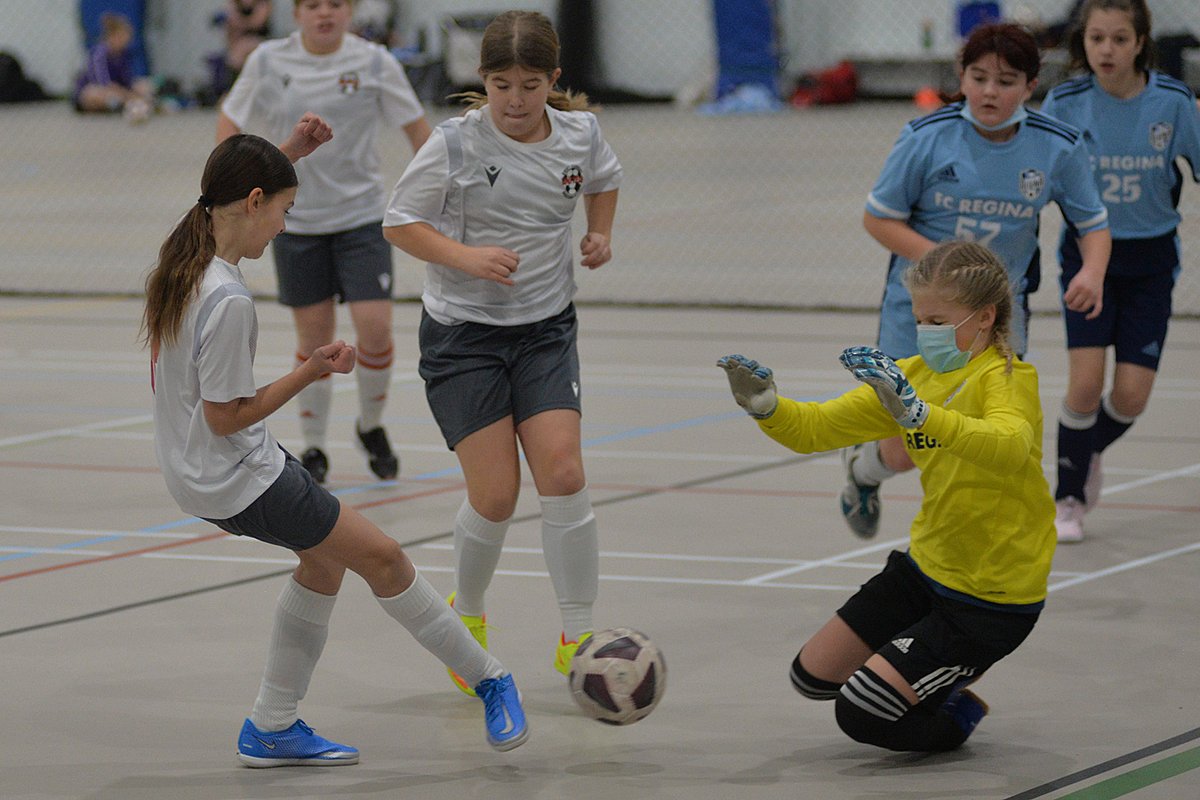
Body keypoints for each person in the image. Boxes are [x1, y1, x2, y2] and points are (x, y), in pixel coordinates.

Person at [141, 117, 529, 764]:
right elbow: (226, 417)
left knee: (323, 566)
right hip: (236, 472)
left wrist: (286, 156)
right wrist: (312, 369)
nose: (286, 227)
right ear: (256, 203)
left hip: (195, 473)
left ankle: (272, 723)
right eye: (284, 210)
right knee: (384, 560)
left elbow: (234, 187)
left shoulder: (184, 256)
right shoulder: (228, 301)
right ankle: (492, 677)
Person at [718, 240, 1055, 752]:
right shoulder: (911, 378)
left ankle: (956, 712)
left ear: (985, 317)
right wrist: (767, 407)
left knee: (861, 713)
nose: (925, 331)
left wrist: (919, 416)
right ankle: (920, 672)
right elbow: (814, 428)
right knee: (811, 678)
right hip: (926, 570)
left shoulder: (1008, 378)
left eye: (939, 320)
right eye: (921, 319)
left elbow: (1009, 447)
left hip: (990, 598)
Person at [382, 10, 622, 696]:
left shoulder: (580, 133)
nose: (514, 101)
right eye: (499, 84)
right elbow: (400, 222)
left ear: (553, 81)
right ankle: (470, 619)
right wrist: (466, 257)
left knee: (565, 472)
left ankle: (578, 635)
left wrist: (599, 235)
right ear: (480, 81)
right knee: (494, 495)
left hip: (546, 329)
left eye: (528, 85)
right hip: (465, 335)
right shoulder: (456, 144)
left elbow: (604, 181)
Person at [842, 22, 1112, 540]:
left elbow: (1093, 222)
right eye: (979, 77)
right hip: (917, 315)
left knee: (993, 434)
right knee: (907, 449)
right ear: (961, 78)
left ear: (1031, 87)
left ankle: (980, 540)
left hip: (998, 318)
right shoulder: (927, 138)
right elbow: (878, 218)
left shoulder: (1056, 146)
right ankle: (862, 469)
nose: (990, 91)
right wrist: (949, 269)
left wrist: (1093, 271)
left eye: (1006, 80)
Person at [218, 0, 433, 485]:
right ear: (296, 13)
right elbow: (230, 117)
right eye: (313, 4)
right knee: (315, 340)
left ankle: (371, 426)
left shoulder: (375, 61)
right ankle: (314, 446)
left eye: (336, 3)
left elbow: (419, 130)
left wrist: (437, 192)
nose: (325, 13)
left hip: (361, 216)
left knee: (374, 329)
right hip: (295, 221)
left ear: (350, 10)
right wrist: (229, 179)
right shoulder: (269, 60)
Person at [1040, 0, 1200, 542]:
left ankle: (1084, 456)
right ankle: (1067, 497)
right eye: (1096, 39)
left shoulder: (1173, 102)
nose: (1106, 50)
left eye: (1119, 39)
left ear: (1140, 43)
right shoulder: (1065, 102)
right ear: (1082, 42)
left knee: (1130, 396)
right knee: (1084, 386)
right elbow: (1036, 180)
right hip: (1086, 260)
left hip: (1151, 262)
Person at [73, 11, 156, 122]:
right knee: (94, 94)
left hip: (118, 92)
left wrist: (137, 92)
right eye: (124, 36)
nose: (127, 40)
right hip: (100, 90)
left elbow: (128, 82)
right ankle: (121, 105)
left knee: (144, 85)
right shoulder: (99, 53)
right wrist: (130, 96)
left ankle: (127, 105)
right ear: (113, 36)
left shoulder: (124, 54)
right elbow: (104, 84)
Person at [223, 0, 272, 82]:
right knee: (235, 55)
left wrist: (240, 22)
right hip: (238, 41)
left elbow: (257, 22)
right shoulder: (235, 3)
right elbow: (231, 20)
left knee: (243, 49)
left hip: (259, 39)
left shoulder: (263, 2)